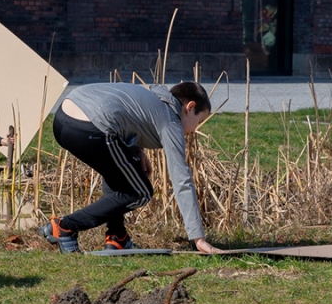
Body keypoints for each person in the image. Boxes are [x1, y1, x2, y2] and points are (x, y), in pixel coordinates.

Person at [41, 81, 220, 254]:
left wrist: (137, 150)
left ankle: (117, 237)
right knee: (139, 193)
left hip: (63, 120)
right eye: (199, 121)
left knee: (120, 174)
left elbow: (124, 112)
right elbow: (182, 180)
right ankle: (65, 227)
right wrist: (198, 238)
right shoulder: (171, 121)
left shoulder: (155, 97)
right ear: (189, 107)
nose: (195, 130)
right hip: (90, 129)